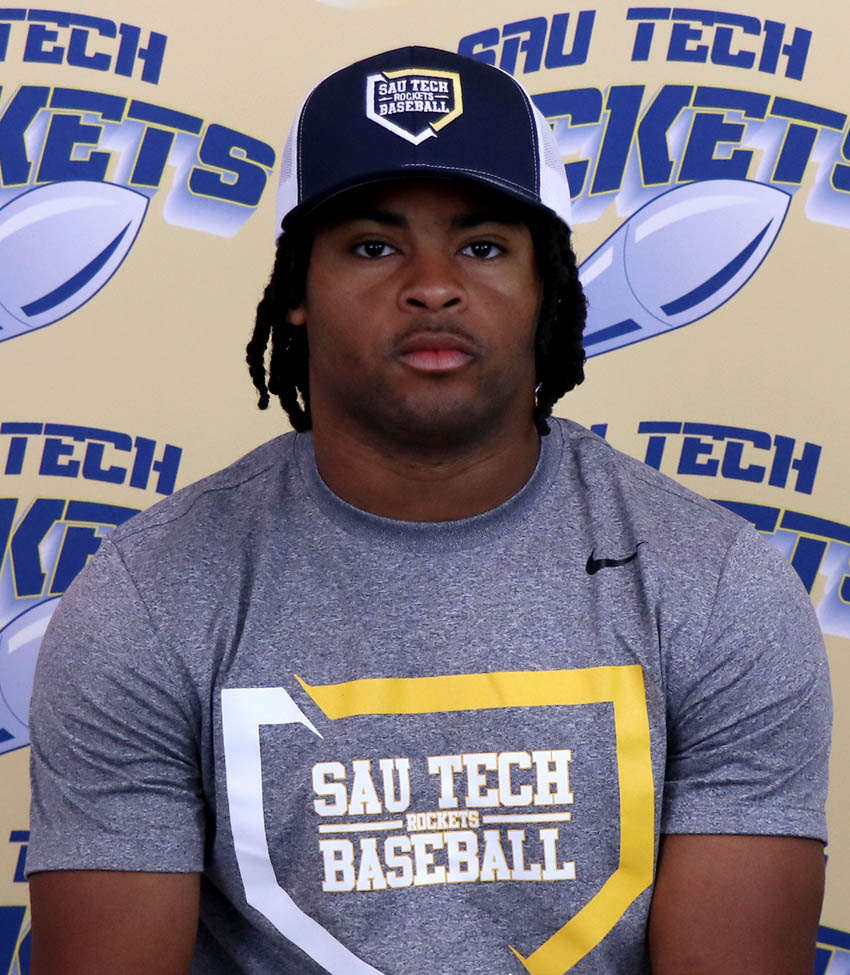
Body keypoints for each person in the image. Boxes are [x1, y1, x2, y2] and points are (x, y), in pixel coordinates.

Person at [27, 45, 830, 975]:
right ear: (295, 292)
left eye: (483, 246)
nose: (432, 285)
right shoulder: (151, 595)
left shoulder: (715, 585)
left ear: (548, 293)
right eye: (374, 246)